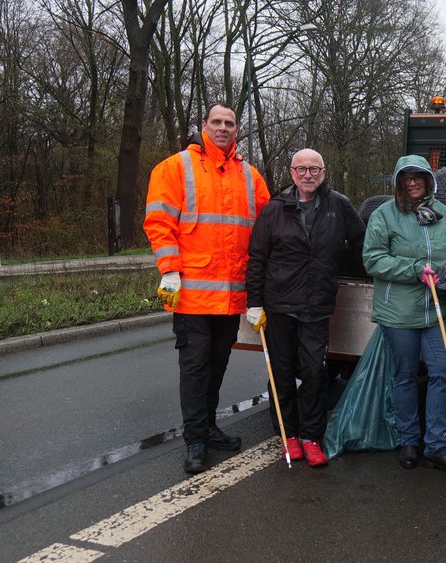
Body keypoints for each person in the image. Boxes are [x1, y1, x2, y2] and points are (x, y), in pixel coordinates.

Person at [144, 103, 271, 474]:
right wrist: (170, 270)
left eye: (229, 123)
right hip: (192, 295)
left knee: (217, 365)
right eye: (216, 121)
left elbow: (267, 227)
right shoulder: (176, 167)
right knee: (195, 368)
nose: (222, 128)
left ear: (236, 129)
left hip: (231, 297)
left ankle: (209, 426)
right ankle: (195, 439)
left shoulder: (249, 175)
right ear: (204, 125)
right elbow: (158, 223)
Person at [244, 148, 365, 468]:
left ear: (323, 173)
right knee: (281, 372)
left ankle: (312, 436)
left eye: (314, 169)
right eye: (301, 169)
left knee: (314, 372)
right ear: (292, 173)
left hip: (317, 305)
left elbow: (362, 245)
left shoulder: (339, 206)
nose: (308, 174)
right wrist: (254, 302)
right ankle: (289, 435)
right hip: (279, 305)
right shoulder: (274, 210)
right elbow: (257, 259)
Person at [362, 155, 446, 475]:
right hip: (399, 312)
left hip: (438, 310)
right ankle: (408, 440)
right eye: (406, 178)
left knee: (443, 373)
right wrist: (414, 269)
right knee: (405, 375)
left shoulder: (445, 213)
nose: (412, 183)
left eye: (418, 177)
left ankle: (436, 445)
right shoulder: (383, 215)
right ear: (398, 182)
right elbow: (373, 259)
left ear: (428, 180)